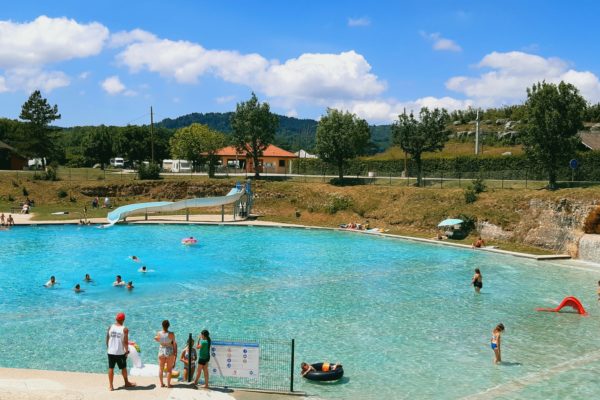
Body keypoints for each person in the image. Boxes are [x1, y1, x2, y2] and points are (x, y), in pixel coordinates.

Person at [106, 312, 135, 391]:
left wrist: (108, 347)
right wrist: (127, 351)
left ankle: (111, 386)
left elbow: (107, 338)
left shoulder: (110, 327)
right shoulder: (125, 329)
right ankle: (126, 383)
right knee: (123, 368)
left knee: (111, 368)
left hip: (110, 351)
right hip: (119, 352)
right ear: (123, 320)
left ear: (116, 319)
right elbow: (125, 342)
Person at [155, 320, 177, 388]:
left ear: (162, 325)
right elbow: (174, 343)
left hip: (161, 350)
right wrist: (175, 352)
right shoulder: (172, 334)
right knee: (169, 369)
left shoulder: (159, 333)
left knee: (161, 369)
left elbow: (156, 338)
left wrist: (158, 340)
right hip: (169, 350)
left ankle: (161, 384)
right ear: (168, 326)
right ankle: (168, 384)